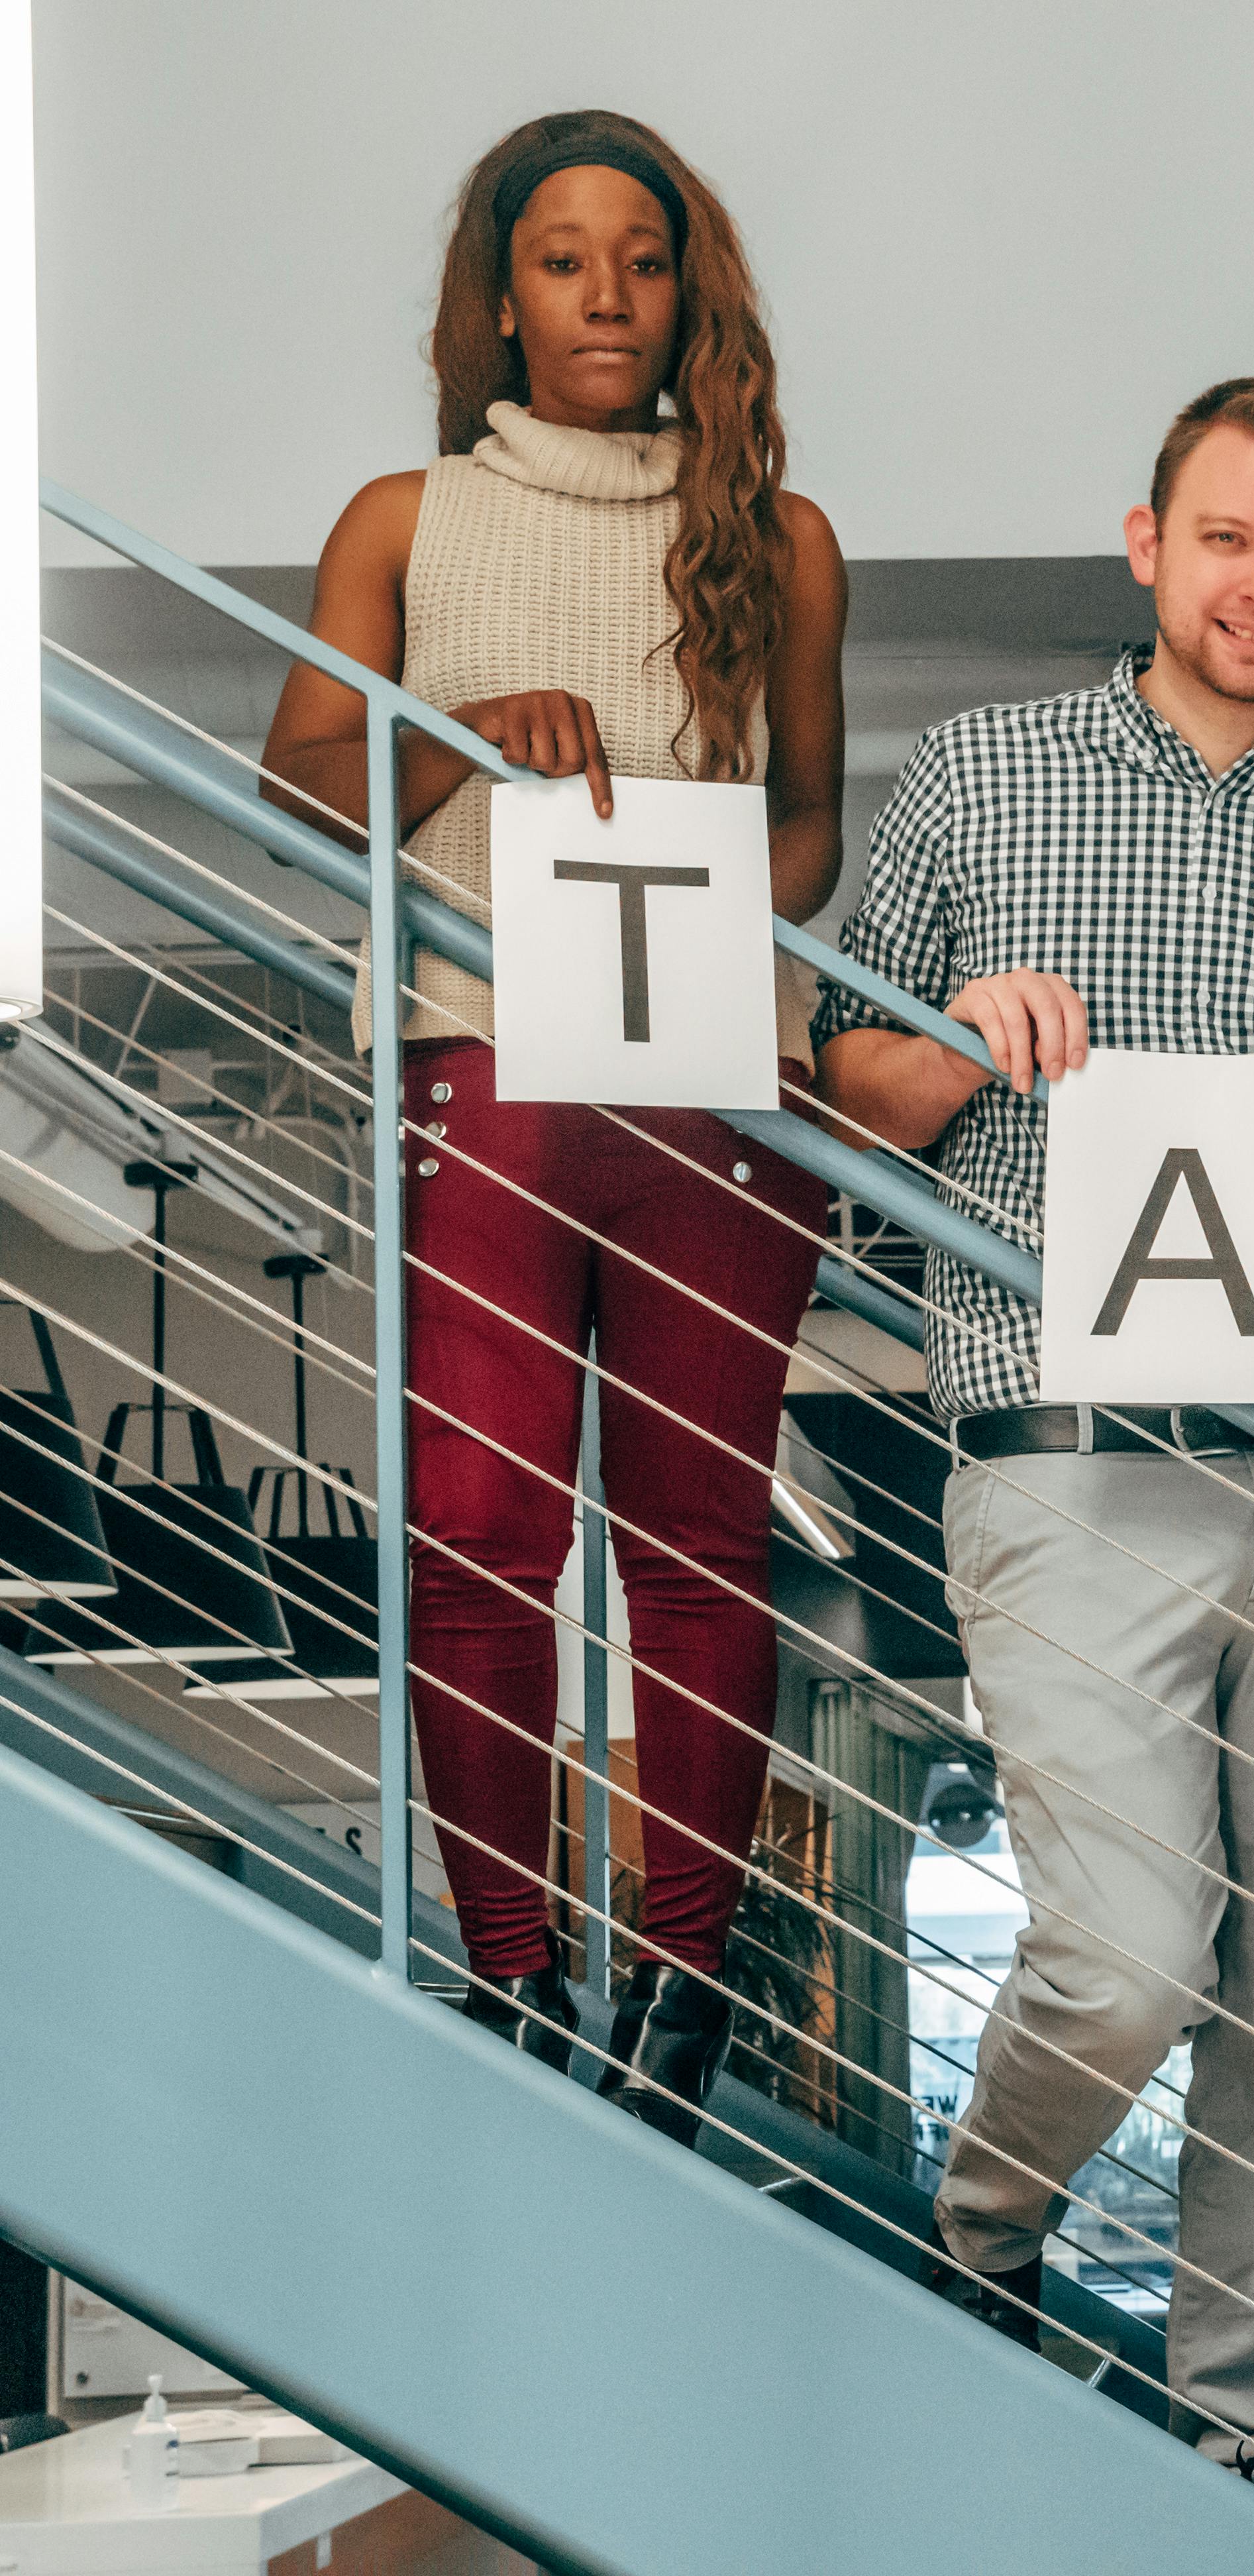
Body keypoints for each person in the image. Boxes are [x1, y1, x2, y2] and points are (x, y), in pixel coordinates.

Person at [813, 374, 1254, 2500]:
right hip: (1065, 1448)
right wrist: (950, 1045)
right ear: (1145, 540)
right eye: (1229, 539)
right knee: (1123, 1951)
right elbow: (837, 1096)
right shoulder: (982, 777)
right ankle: (988, 2228)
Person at [262, 110, 849, 2140]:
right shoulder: (405, 519)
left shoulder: (779, 534)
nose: (608, 295)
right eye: (564, 260)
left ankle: (677, 1997)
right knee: (485, 1530)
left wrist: (697, 905)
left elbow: (810, 831)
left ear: (693, 292)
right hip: (482, 1058)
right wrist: (455, 744)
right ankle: (516, 1976)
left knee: (695, 1542)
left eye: (645, 259)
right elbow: (301, 786)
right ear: (499, 297)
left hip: (708, 1083)